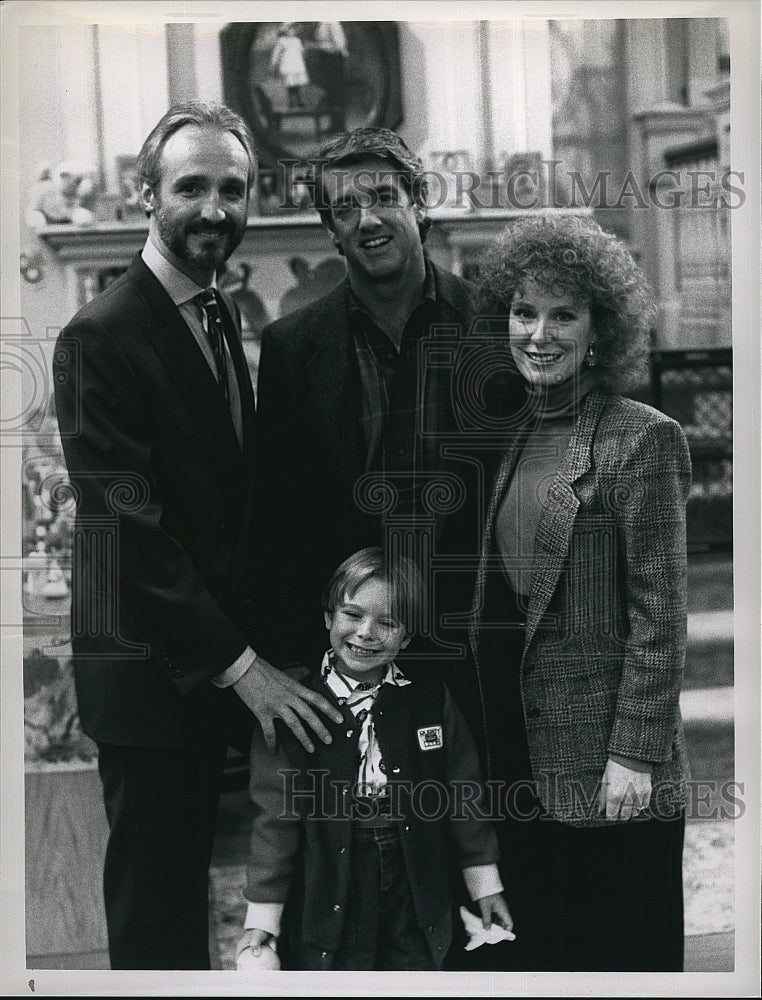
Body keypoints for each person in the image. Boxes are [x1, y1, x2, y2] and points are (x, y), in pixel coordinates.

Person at [53, 101, 342, 970]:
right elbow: (124, 530)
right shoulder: (99, 336)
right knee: (159, 909)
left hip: (221, 655)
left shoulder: (218, 315)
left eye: (232, 188)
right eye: (192, 187)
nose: (214, 208)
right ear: (148, 195)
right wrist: (243, 667)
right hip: (149, 673)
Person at [454, 214, 692, 972]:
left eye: (564, 314)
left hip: (614, 768)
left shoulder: (641, 438)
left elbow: (662, 618)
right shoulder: (517, 433)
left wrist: (634, 753)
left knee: (624, 963)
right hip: (526, 762)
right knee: (553, 962)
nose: (540, 333)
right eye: (526, 312)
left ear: (601, 329)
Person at [253, 126, 518, 672]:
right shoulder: (291, 347)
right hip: (355, 643)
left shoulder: (496, 324)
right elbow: (279, 518)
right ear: (330, 230)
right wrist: (291, 656)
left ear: (418, 204)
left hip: (477, 635)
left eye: (383, 198)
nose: (367, 220)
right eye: (345, 208)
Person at [236, 546, 514, 971]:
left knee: (416, 966)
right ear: (328, 617)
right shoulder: (293, 707)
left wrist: (485, 887)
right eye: (352, 615)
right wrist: (263, 918)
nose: (366, 633)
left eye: (387, 622)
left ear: (405, 637)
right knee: (343, 966)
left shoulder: (429, 700)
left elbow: (464, 795)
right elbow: (276, 820)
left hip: (415, 874)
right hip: (331, 875)